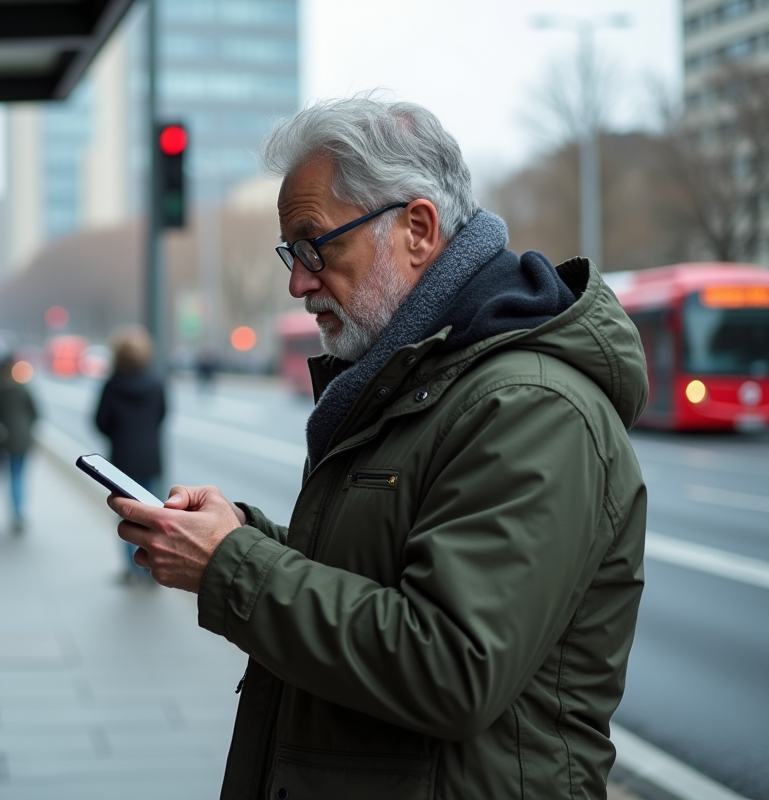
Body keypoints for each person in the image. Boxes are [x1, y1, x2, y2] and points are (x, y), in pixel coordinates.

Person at [108, 95, 648, 798]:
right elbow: (374, 581)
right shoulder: (411, 384)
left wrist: (233, 567)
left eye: (314, 245)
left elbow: (453, 667)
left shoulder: (530, 407)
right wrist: (242, 535)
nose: (298, 281)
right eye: (289, 253)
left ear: (417, 230)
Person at [94, 326, 167, 583]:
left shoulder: (112, 385)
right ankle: (152, 568)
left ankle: (131, 568)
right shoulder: (156, 383)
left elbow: (100, 421)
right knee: (153, 514)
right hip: (150, 458)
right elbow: (162, 415)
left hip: (122, 460)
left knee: (127, 513)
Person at [0, 355, 39, 532]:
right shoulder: (23, 388)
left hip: (4, 440)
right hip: (23, 439)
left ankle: (14, 511)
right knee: (19, 476)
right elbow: (35, 414)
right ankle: (18, 512)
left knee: (8, 476)